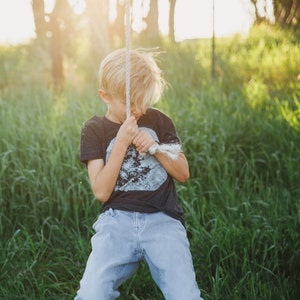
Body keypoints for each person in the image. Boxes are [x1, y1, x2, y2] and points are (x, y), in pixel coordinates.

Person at [75, 48, 203, 300]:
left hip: (163, 221)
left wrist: (156, 148)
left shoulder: (159, 121)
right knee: (91, 293)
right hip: (116, 222)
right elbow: (101, 191)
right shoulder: (94, 129)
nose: (138, 110)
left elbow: (183, 172)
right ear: (105, 96)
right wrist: (121, 142)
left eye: (143, 102)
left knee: (185, 295)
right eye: (130, 103)